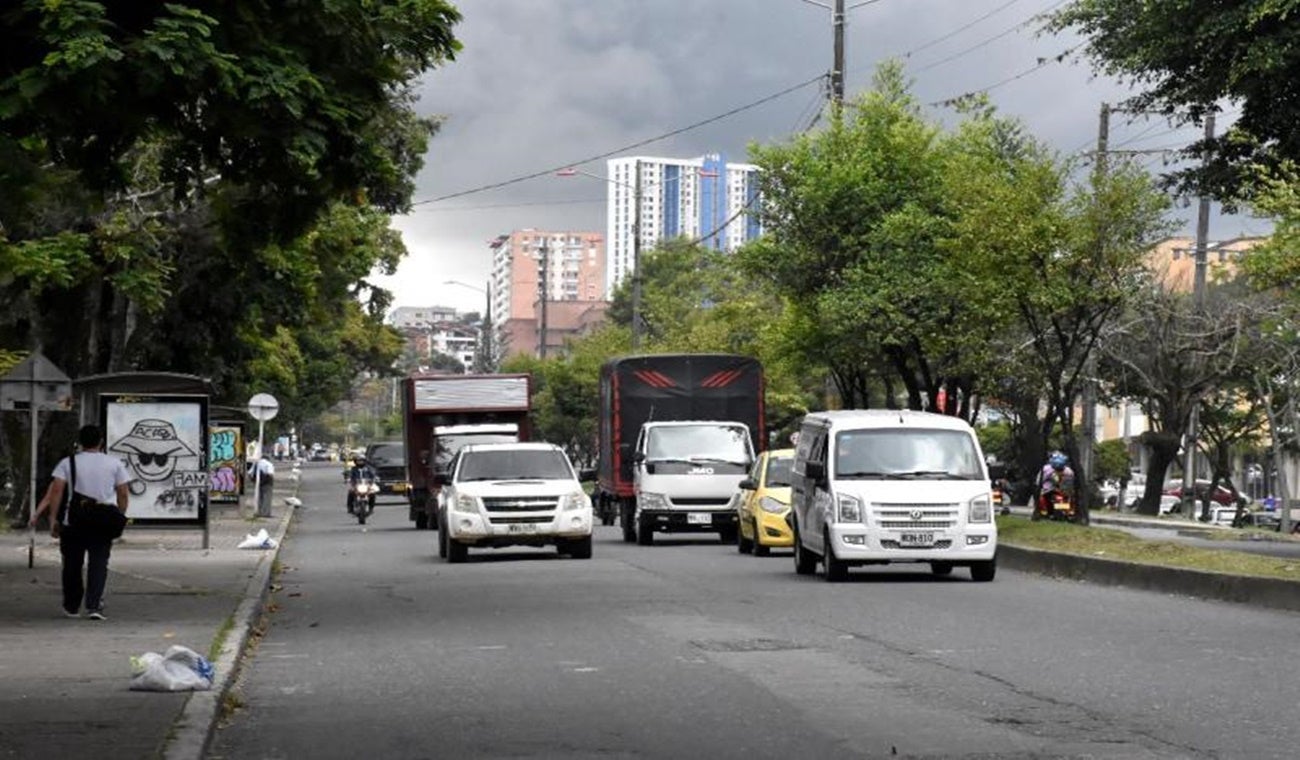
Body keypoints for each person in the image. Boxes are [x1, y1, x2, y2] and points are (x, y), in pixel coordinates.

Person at [30, 424, 132, 620]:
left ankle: (72, 606)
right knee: (99, 563)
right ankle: (94, 606)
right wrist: (120, 515)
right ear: (101, 441)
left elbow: (57, 491)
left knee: (71, 564)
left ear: (80, 442)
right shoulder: (114, 463)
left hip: (74, 520)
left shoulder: (67, 463)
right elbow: (123, 493)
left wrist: (53, 520)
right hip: (103, 520)